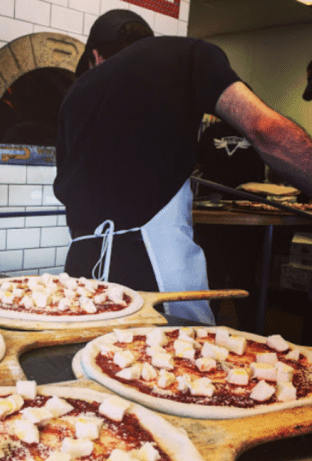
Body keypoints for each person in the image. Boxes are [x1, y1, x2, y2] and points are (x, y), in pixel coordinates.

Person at [54, 9, 312, 325]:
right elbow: (264, 130)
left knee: (84, 363)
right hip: (156, 270)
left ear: (94, 54)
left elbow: (68, 189)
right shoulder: (184, 54)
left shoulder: (73, 95)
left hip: (81, 266)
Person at [194, 117, 267, 331]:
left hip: (246, 212)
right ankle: (222, 329)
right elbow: (198, 163)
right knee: (221, 276)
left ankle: (244, 330)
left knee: (233, 276)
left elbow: (197, 163)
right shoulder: (252, 128)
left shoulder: (254, 128)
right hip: (216, 210)